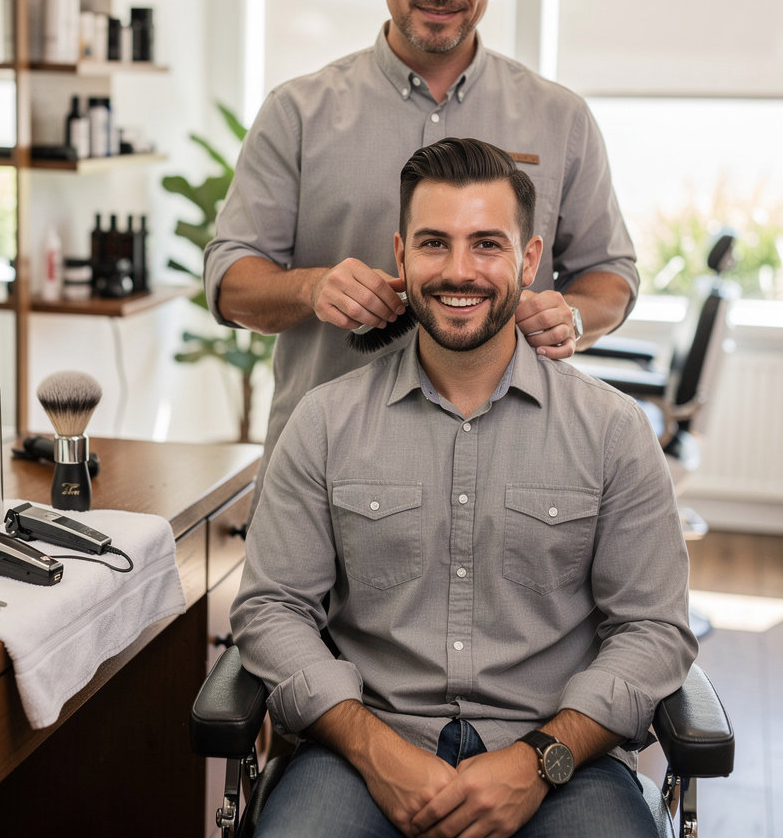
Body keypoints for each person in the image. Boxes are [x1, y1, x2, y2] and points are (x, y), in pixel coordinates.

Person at [230, 137, 696, 838]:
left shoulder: (612, 430)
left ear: (529, 260)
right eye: (433, 243)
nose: (458, 271)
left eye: (486, 244)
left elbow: (653, 628)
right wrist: (376, 751)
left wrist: (540, 760)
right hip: (363, 747)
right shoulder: (325, 422)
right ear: (401, 256)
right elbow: (272, 609)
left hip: (564, 756)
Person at [204, 0, 638, 505]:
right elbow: (230, 279)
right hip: (326, 477)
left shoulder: (561, 119)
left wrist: (573, 315)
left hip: (513, 481)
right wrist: (312, 288)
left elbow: (612, 274)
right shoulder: (297, 113)